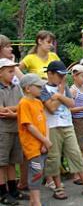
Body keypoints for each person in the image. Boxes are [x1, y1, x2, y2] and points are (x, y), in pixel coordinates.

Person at [41, 61, 83, 199]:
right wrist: (61, 95)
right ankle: (58, 187)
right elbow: (51, 107)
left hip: (67, 125)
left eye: (64, 76)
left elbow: (71, 103)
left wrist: (60, 95)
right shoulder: (43, 89)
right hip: (52, 127)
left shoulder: (64, 87)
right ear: (50, 74)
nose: (62, 79)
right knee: (53, 158)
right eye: (59, 75)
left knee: (76, 154)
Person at [17, 74, 51, 206]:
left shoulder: (38, 102)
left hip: (42, 144)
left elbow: (45, 121)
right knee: (36, 173)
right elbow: (29, 126)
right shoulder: (24, 103)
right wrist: (44, 140)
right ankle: (36, 202)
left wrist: (46, 140)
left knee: (40, 171)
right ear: (27, 88)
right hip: (32, 146)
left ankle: (33, 201)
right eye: (38, 86)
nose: (41, 88)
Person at [0, 59, 27, 205]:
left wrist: (12, 110)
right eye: (10, 71)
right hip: (2, 131)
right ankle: (2, 193)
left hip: (15, 129)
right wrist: (15, 109)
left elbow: (23, 106)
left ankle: (13, 190)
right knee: (1, 162)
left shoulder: (16, 87)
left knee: (12, 161)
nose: (13, 74)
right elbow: (1, 111)